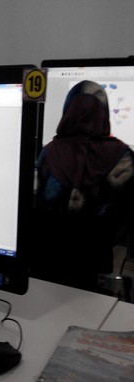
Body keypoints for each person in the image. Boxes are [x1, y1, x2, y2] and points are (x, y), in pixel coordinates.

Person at [32, 80, 134, 292]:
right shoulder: (124, 157)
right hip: (95, 260)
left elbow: (37, 204)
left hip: (47, 258)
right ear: (104, 113)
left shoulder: (49, 152)